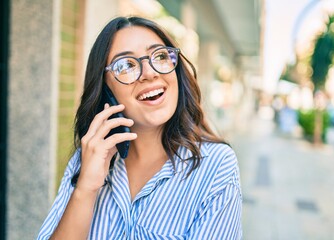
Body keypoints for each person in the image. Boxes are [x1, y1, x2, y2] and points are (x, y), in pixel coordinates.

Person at [37, 16, 242, 239]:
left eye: (160, 56)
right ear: (106, 89)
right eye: (126, 65)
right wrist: (85, 189)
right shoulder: (87, 159)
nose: (150, 73)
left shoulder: (216, 165)